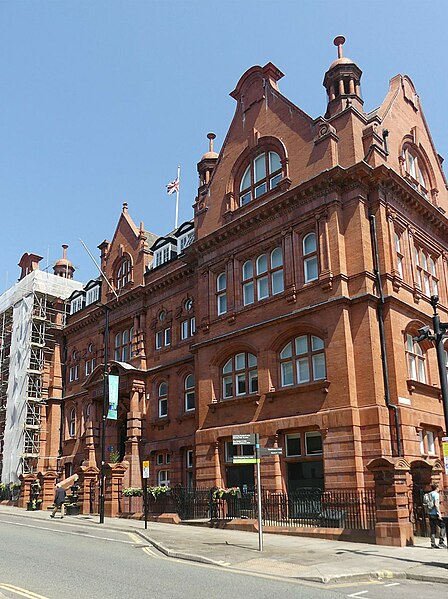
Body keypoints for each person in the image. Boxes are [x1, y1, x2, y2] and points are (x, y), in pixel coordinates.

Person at [426, 482, 446, 549]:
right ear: (437, 487)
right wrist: (439, 513)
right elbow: (436, 504)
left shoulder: (429, 494)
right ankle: (441, 541)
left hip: (430, 513)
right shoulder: (436, 494)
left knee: (433, 529)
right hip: (435, 514)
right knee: (443, 526)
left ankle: (433, 544)